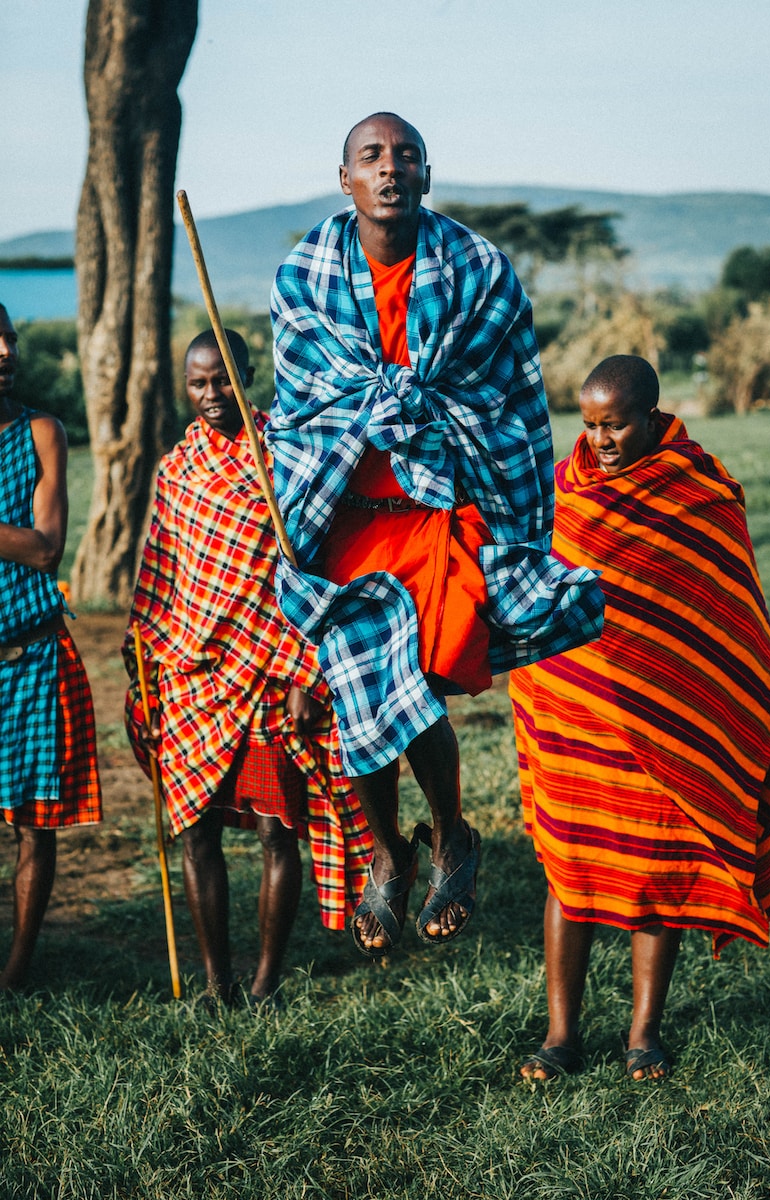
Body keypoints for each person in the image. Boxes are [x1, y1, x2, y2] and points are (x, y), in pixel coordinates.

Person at [268, 113, 604, 959]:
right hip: (346, 516)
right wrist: (373, 412)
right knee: (362, 691)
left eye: (405, 157)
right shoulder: (304, 277)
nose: (390, 169)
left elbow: (507, 400)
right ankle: (389, 853)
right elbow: (305, 406)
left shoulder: (478, 272)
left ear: (426, 175)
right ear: (343, 178)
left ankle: (451, 832)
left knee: (411, 682)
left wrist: (420, 416)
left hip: (436, 515)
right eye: (371, 158)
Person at [509, 354, 770, 1081]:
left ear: (653, 415)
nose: (601, 439)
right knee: (569, 873)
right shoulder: (563, 490)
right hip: (576, 714)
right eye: (591, 424)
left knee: (654, 871)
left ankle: (643, 1033)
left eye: (617, 424)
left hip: (665, 727)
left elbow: (724, 613)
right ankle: (561, 1035)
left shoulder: (696, 491)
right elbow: (538, 595)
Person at [123, 330, 372, 1008]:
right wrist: (145, 661)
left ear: (250, 375)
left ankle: (266, 979)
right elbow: (162, 573)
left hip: (270, 668)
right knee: (196, 829)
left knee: (274, 826)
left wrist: (305, 674)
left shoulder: (282, 459)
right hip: (190, 671)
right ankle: (216, 981)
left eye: (224, 380)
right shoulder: (178, 470)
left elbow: (318, 565)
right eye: (199, 383)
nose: (211, 396)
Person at [0, 302, 102, 992]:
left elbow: (44, 548)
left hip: (35, 655)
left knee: (35, 825)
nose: (3, 349)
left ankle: (16, 971)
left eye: (5, 335)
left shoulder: (42, 432)